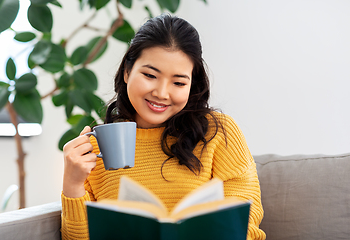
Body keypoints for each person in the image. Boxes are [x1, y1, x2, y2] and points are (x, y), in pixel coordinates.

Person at [61, 14, 266, 240]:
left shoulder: (218, 132)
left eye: (178, 82)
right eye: (150, 75)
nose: (161, 93)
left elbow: (244, 218)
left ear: (192, 85)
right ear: (127, 72)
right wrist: (72, 183)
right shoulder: (95, 150)